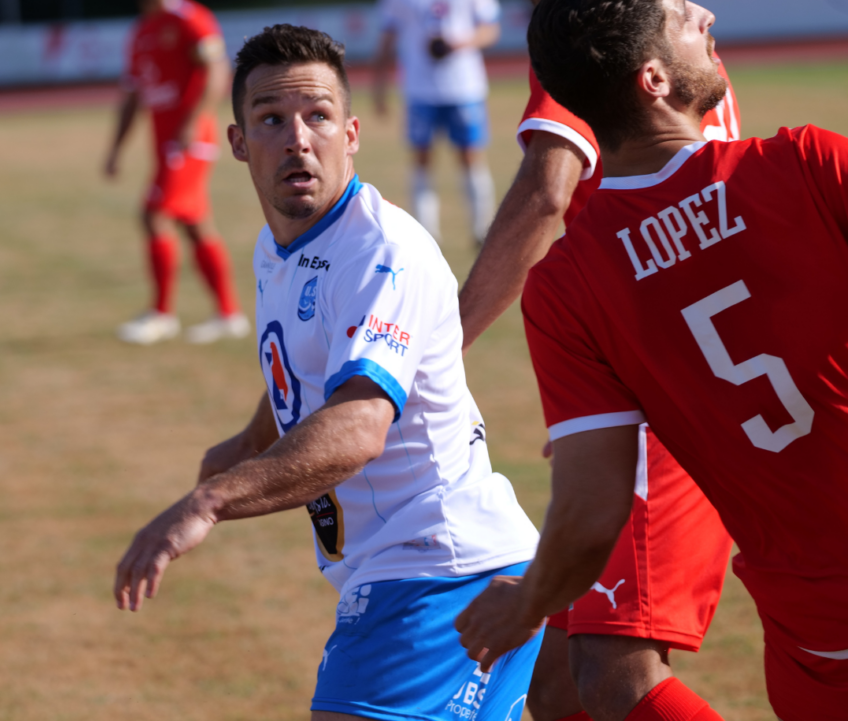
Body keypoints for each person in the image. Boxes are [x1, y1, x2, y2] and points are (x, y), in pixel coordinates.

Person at [115, 24, 545, 721]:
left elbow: (358, 426)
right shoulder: (278, 246)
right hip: (422, 568)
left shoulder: (379, 252)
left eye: (317, 115)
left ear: (350, 134)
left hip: (438, 570)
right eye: (272, 120)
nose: (297, 137)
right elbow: (316, 362)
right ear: (237, 144)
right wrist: (248, 440)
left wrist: (210, 500)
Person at [453, 1, 848, 720]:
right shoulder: (807, 162)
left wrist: (531, 596)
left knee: (602, 678)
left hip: (814, 634)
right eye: (678, 14)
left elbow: (589, 504)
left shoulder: (569, 285)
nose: (706, 14)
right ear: (655, 78)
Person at [104, 0, 249, 345]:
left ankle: (161, 314)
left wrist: (195, 121)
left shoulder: (189, 18)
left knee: (153, 215)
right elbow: (134, 95)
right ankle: (230, 315)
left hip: (188, 143)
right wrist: (115, 148)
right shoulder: (141, 31)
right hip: (165, 145)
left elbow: (216, 70)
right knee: (195, 224)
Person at [373, 0, 501, 245]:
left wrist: (459, 43)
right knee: (422, 160)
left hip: (465, 88)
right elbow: (387, 37)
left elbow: (491, 29)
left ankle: (481, 230)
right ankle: (426, 233)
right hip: (419, 90)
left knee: (470, 157)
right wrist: (379, 86)